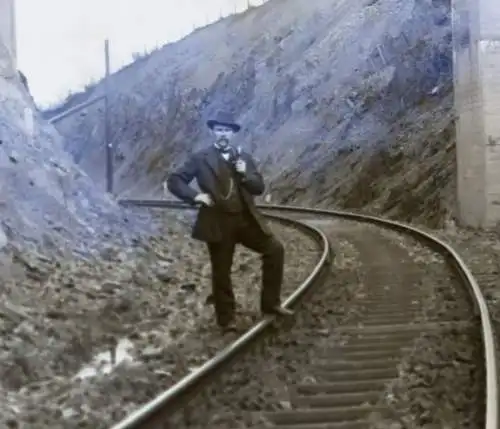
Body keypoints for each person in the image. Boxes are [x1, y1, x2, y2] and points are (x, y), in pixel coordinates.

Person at [167, 111, 293, 332]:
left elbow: (258, 187)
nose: (223, 134)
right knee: (221, 270)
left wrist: (245, 174)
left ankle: (271, 304)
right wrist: (195, 196)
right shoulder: (200, 158)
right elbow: (175, 180)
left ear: (233, 133)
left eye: (227, 130)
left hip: (245, 221)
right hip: (217, 222)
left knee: (275, 250)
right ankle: (226, 319)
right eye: (219, 130)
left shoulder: (244, 158)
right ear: (212, 132)